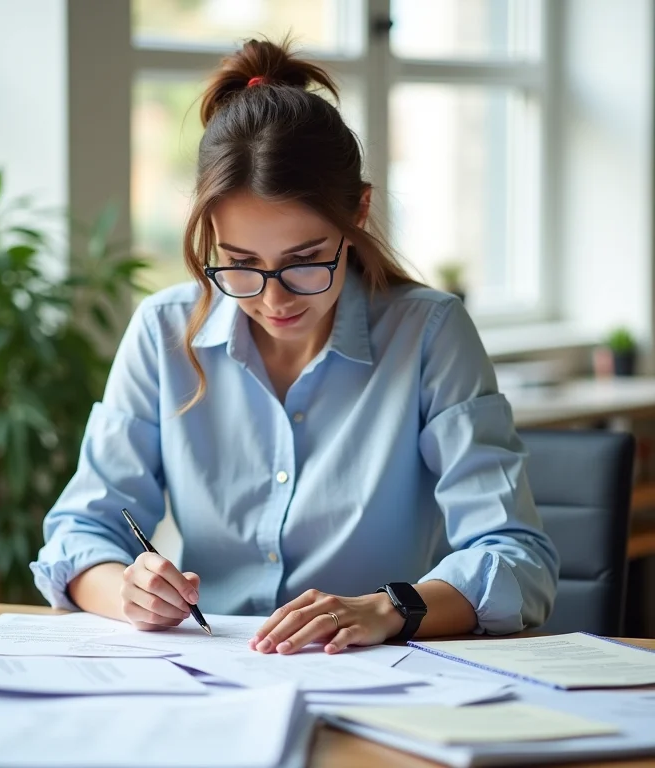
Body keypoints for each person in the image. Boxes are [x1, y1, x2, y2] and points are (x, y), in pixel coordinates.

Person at [32, 39, 559, 655]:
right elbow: (80, 532)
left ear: (357, 212)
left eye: (306, 262)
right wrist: (125, 589)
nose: (274, 299)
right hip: (204, 678)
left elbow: (518, 560)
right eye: (240, 264)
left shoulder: (431, 334)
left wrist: (388, 608)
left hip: (373, 677)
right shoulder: (161, 331)